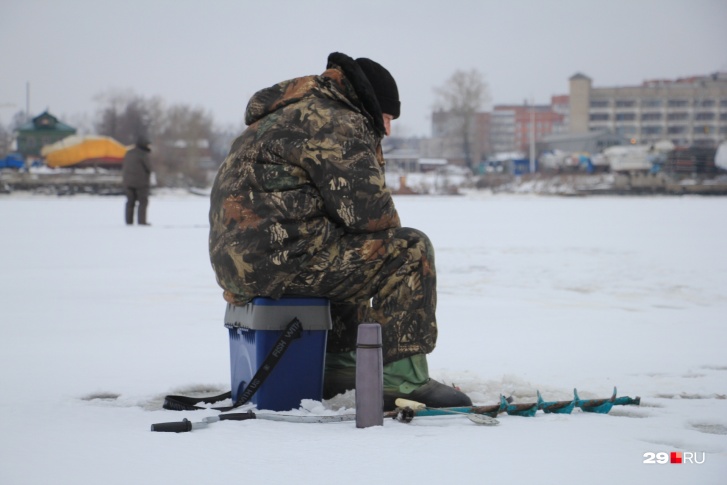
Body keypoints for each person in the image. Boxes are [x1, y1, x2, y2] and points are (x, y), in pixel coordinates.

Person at [209, 52, 471, 410]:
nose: (389, 129)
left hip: (246, 266)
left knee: (350, 250)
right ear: (371, 105)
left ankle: (335, 367)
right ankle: (400, 378)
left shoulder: (290, 113)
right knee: (409, 251)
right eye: (387, 118)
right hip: (283, 261)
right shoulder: (336, 122)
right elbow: (371, 214)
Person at [122, 135, 153, 226]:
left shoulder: (128, 153)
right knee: (143, 202)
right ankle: (142, 222)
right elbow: (149, 168)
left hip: (127, 182)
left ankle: (129, 222)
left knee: (130, 202)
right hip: (141, 183)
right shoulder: (143, 154)